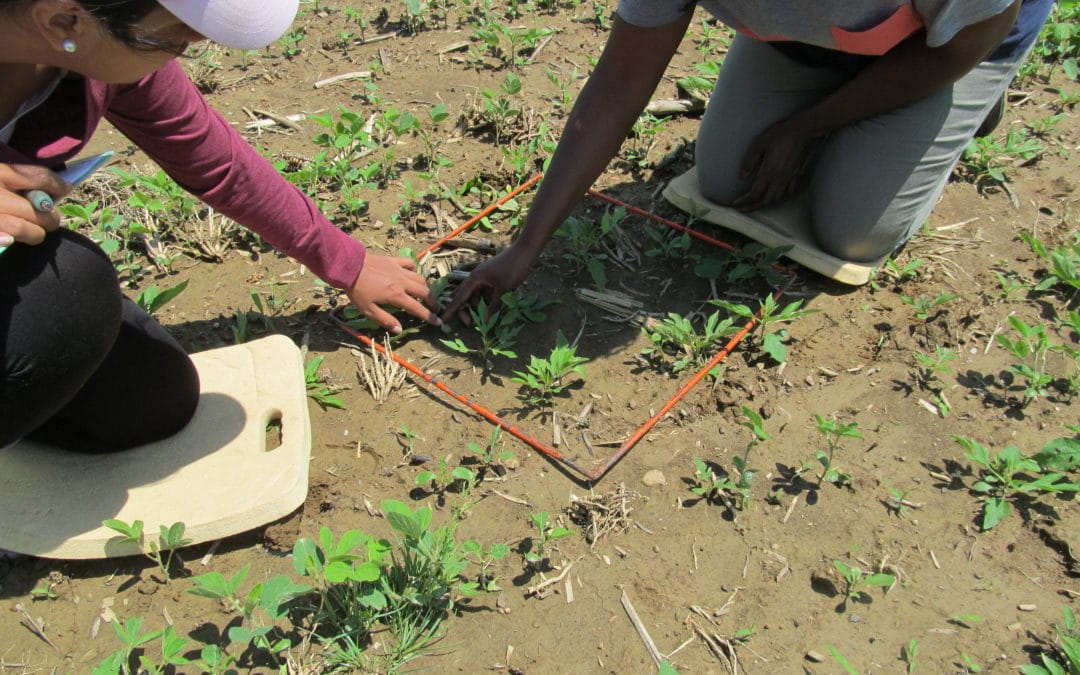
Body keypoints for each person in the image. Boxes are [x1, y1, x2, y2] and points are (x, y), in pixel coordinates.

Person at [0, 0, 441, 452]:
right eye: (177, 34)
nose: (195, 45)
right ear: (62, 21)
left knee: (148, 399)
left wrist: (348, 262)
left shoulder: (97, 53)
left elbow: (216, 163)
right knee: (70, 289)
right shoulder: (99, 35)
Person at [444, 0, 1055, 318]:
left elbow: (957, 51)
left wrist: (808, 126)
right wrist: (526, 247)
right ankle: (837, 95)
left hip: (951, 44)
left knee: (854, 230)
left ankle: (973, 103)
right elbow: (622, 83)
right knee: (725, 176)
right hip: (820, 38)